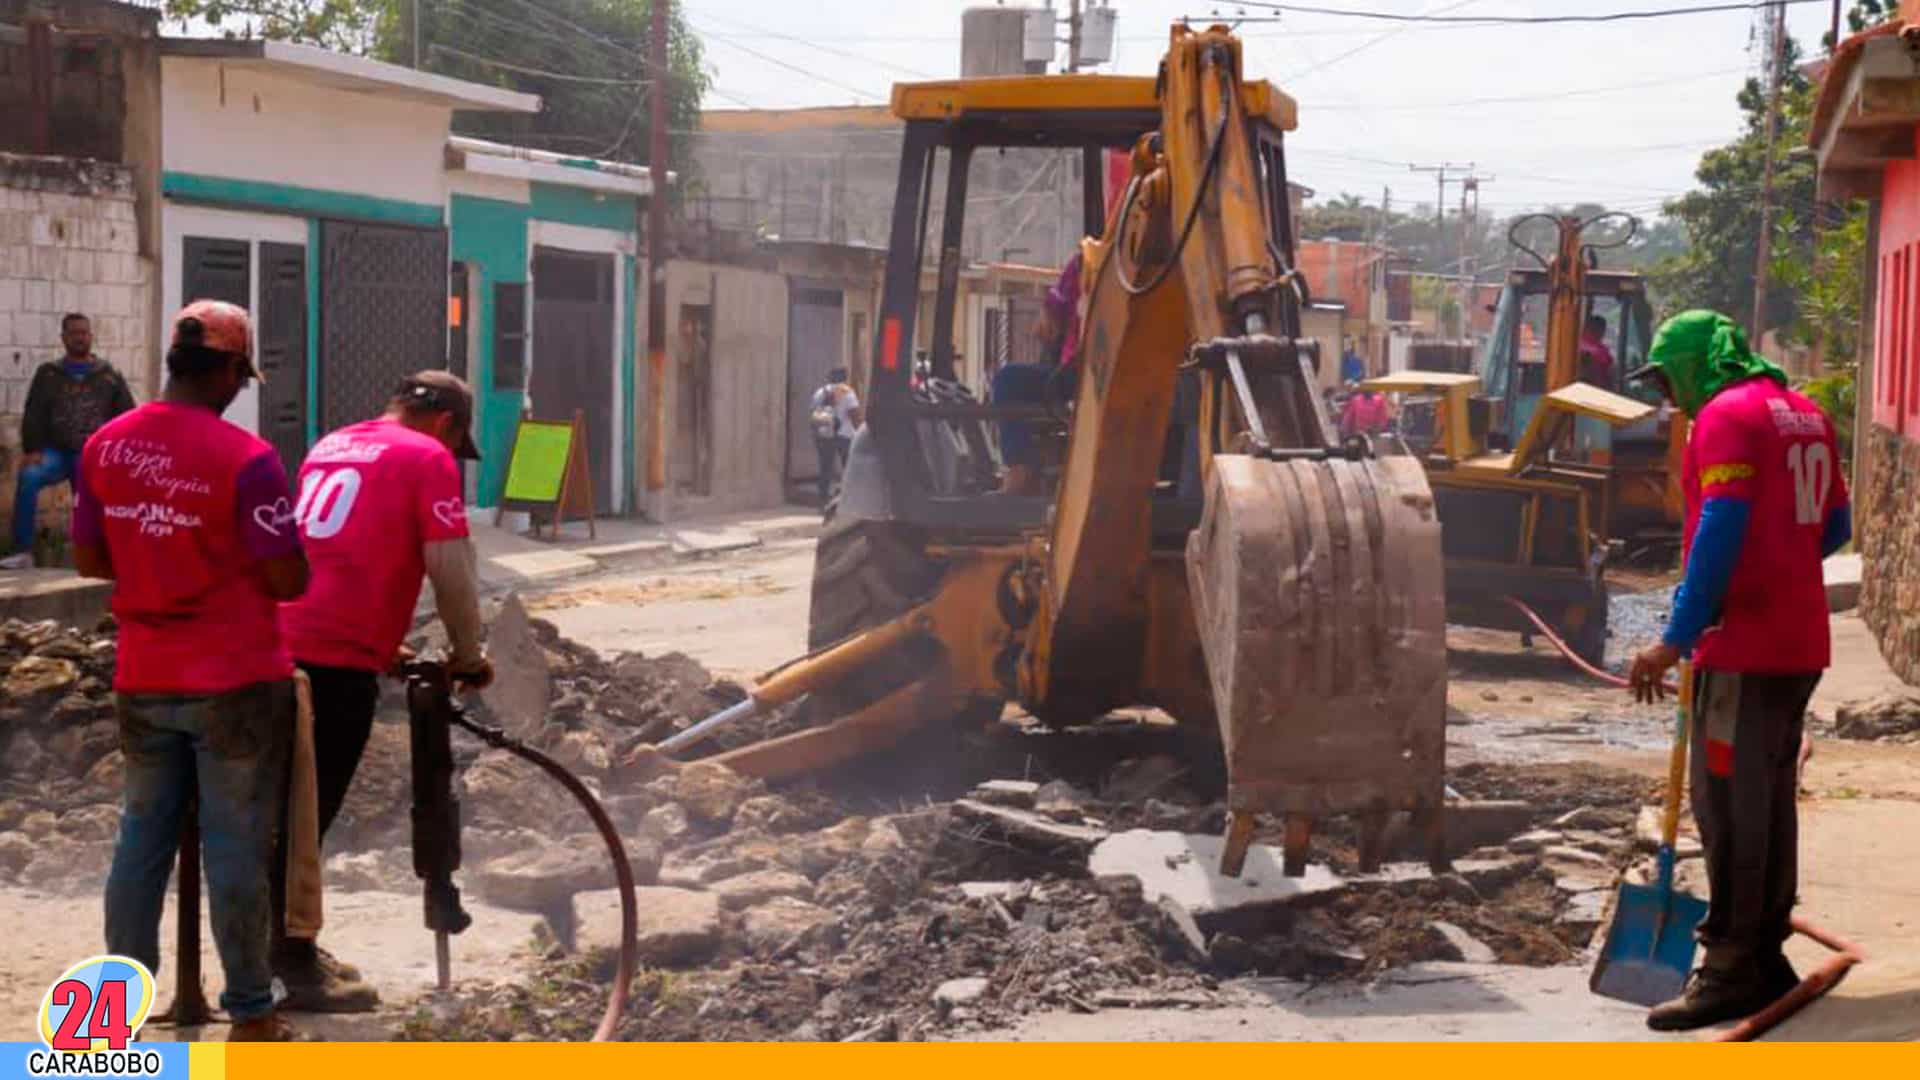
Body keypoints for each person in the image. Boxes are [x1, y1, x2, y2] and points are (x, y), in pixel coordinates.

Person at [74, 300, 308, 1042]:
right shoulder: (247, 458)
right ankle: (250, 1011)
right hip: (236, 678)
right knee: (235, 845)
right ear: (232, 372)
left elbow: (87, 558)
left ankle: (117, 1019)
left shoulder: (106, 446)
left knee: (140, 842)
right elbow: (285, 580)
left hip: (143, 675)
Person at [1624, 309, 1851, 1032]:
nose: (1670, 399)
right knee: (1769, 801)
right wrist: (1783, 571)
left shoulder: (1723, 417)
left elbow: (1718, 531)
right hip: (1800, 643)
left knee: (1726, 810)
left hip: (1744, 649)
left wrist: (1673, 638)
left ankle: (1729, 970)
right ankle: (1764, 954)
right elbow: (1835, 526)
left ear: (1692, 364)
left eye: (1668, 379)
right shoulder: (1804, 412)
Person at [270, 370, 495, 1011]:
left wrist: (381, 643)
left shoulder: (332, 443)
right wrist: (469, 655)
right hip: (332, 663)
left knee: (275, 805)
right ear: (447, 424)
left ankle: (275, 948)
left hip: (275, 637)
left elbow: (332, 548)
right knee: (307, 814)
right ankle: (289, 963)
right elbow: (450, 565)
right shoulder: (428, 457)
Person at [4, 313, 136, 569]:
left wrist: (116, 454)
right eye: (74, 333)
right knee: (29, 476)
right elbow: (34, 412)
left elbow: (127, 416)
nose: (80, 338)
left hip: (91, 454)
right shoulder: (49, 374)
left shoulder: (109, 376)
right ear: (64, 338)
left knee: (88, 487)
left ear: (91, 337)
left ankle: (90, 554)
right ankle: (23, 551)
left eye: (84, 333)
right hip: (55, 453)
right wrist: (32, 449)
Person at [992, 251, 1083, 496]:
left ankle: (1021, 466)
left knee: (1008, 381)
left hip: (1077, 375)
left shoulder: (1085, 265)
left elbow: (1046, 323)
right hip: (1083, 375)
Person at [809, 367, 861, 507]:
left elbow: (813, 412)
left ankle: (823, 500)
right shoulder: (847, 392)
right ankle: (849, 500)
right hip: (844, 435)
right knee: (849, 468)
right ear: (845, 377)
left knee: (825, 468)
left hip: (824, 435)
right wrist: (861, 432)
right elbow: (854, 414)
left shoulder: (819, 392)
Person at [1579, 314, 1616, 388]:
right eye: (1601, 329)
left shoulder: (1601, 349)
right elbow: (1610, 374)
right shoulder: (1599, 352)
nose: (1602, 333)